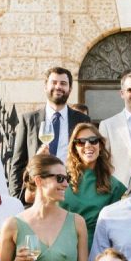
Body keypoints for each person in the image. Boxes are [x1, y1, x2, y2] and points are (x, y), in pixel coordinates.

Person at [9, 67, 90, 198]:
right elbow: (17, 163)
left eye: (63, 83)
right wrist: (16, 198)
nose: (58, 87)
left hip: (71, 194)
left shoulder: (82, 120)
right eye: (54, 82)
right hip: (37, 194)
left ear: (70, 89)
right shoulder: (28, 120)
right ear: (45, 87)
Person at [62, 122, 127, 248]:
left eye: (93, 140)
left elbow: (116, 226)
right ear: (74, 148)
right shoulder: (61, 178)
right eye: (81, 142)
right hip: (65, 245)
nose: (88, 145)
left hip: (97, 247)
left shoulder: (114, 185)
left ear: (100, 145)